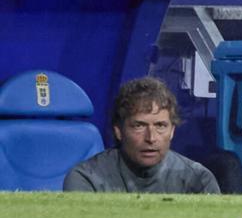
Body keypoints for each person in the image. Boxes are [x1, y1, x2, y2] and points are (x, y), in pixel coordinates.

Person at [63, 77, 219, 194]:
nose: (151, 138)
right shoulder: (86, 179)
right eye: (139, 126)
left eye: (160, 126)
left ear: (172, 131)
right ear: (118, 131)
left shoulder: (198, 179)